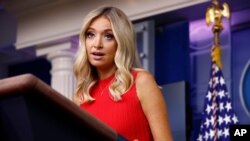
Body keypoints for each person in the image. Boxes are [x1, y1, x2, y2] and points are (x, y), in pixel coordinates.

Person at [73, 6, 173, 141]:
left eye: (108, 36)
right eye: (91, 34)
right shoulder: (81, 96)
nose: (97, 44)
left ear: (121, 42)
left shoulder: (142, 82)